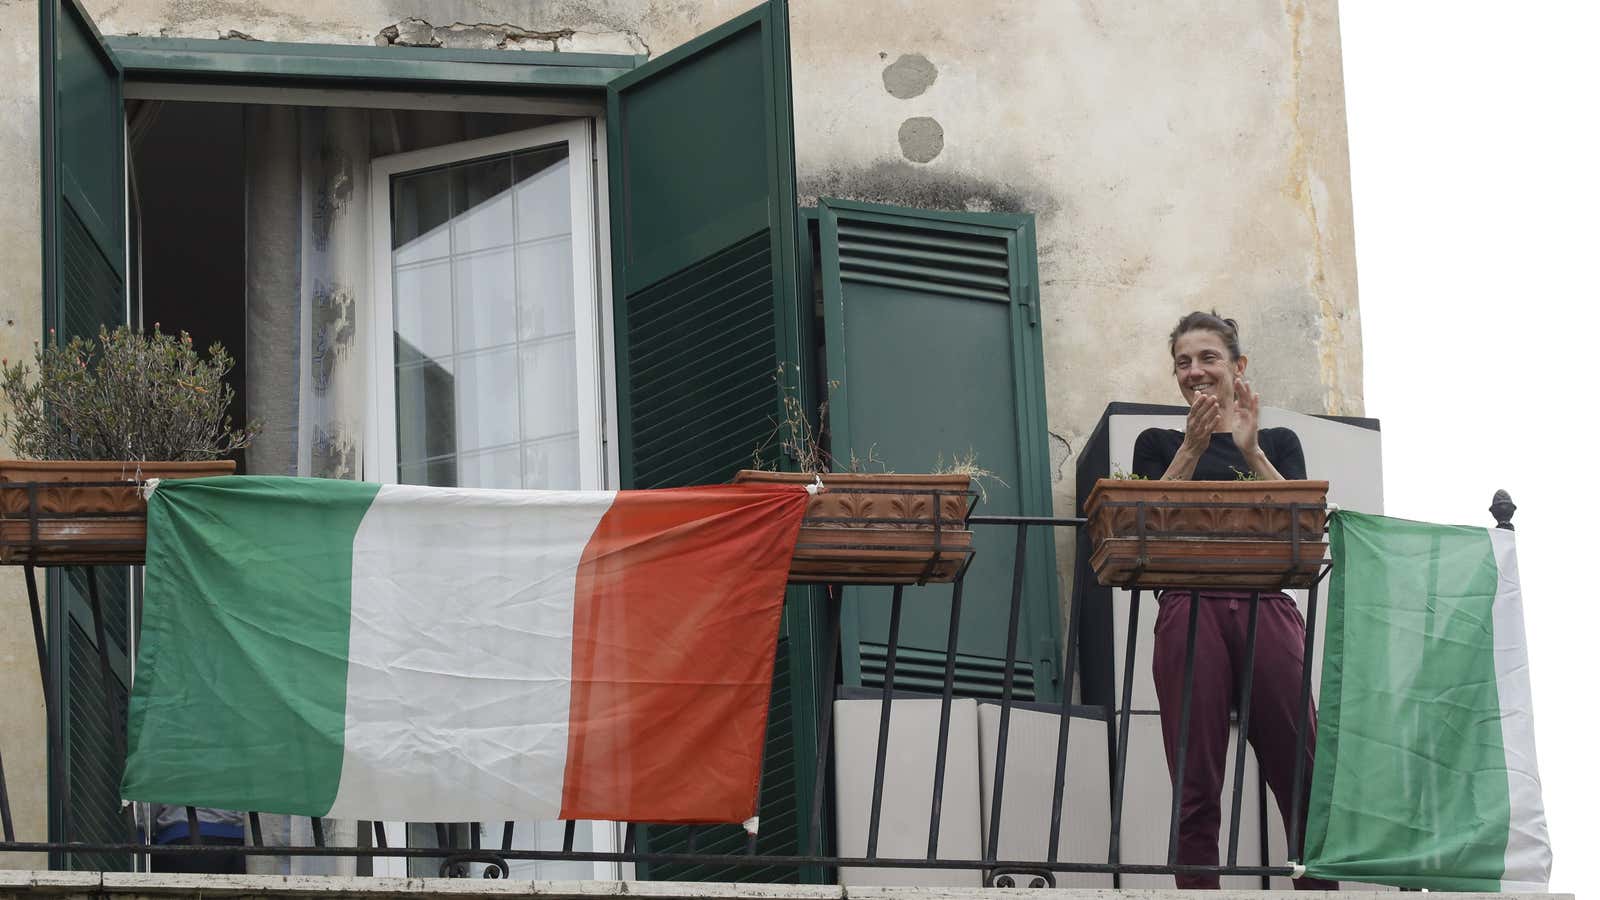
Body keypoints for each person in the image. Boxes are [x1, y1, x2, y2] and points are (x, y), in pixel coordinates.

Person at [1131, 311, 1336, 890]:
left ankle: (1318, 887)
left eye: (1208, 358)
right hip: (1188, 608)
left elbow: (1302, 523)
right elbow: (1145, 522)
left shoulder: (1277, 442)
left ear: (1237, 367)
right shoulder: (1158, 445)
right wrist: (1192, 449)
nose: (1194, 371)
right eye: (1183, 362)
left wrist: (1250, 451)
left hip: (1265, 604)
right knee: (1194, 771)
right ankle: (1199, 889)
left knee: (1301, 765)